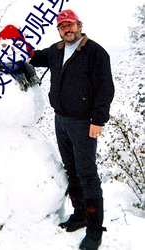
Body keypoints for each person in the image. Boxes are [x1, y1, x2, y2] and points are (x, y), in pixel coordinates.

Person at [30, 9, 114, 250]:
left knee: (87, 173)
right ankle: (80, 214)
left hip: (84, 123)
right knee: (72, 169)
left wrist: (98, 120)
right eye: (62, 26)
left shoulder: (95, 52)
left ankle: (95, 231)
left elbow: (105, 88)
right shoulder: (56, 51)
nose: (67, 29)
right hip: (61, 120)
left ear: (79, 25)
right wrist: (12, 45)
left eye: (70, 24)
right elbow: (34, 57)